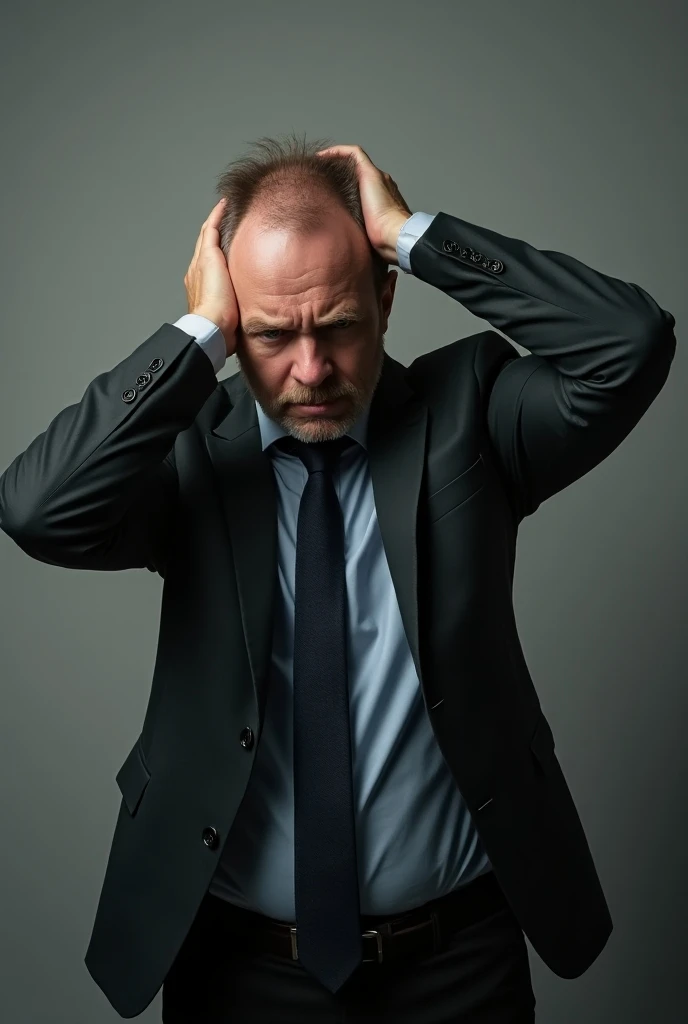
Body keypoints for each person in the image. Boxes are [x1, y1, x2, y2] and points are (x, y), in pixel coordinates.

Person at [0, 137, 676, 1023]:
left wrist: (414, 234)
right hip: (237, 969)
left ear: (384, 296)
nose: (312, 371)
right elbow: (36, 509)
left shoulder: (469, 418)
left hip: (457, 965)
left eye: (340, 326)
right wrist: (198, 335)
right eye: (273, 335)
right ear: (239, 325)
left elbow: (629, 343)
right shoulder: (188, 456)